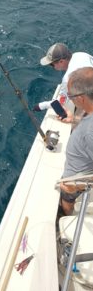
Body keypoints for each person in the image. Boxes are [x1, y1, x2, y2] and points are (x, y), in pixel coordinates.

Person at [59, 67, 93, 215]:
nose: (70, 99)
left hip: (77, 178)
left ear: (81, 99)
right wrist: (75, 119)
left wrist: (76, 186)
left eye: (70, 96)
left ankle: (68, 216)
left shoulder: (90, 131)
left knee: (67, 198)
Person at [34, 43, 93, 124]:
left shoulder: (68, 78)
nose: (52, 67)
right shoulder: (80, 54)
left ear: (61, 61)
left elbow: (59, 102)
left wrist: (42, 106)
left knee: (81, 120)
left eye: (52, 64)